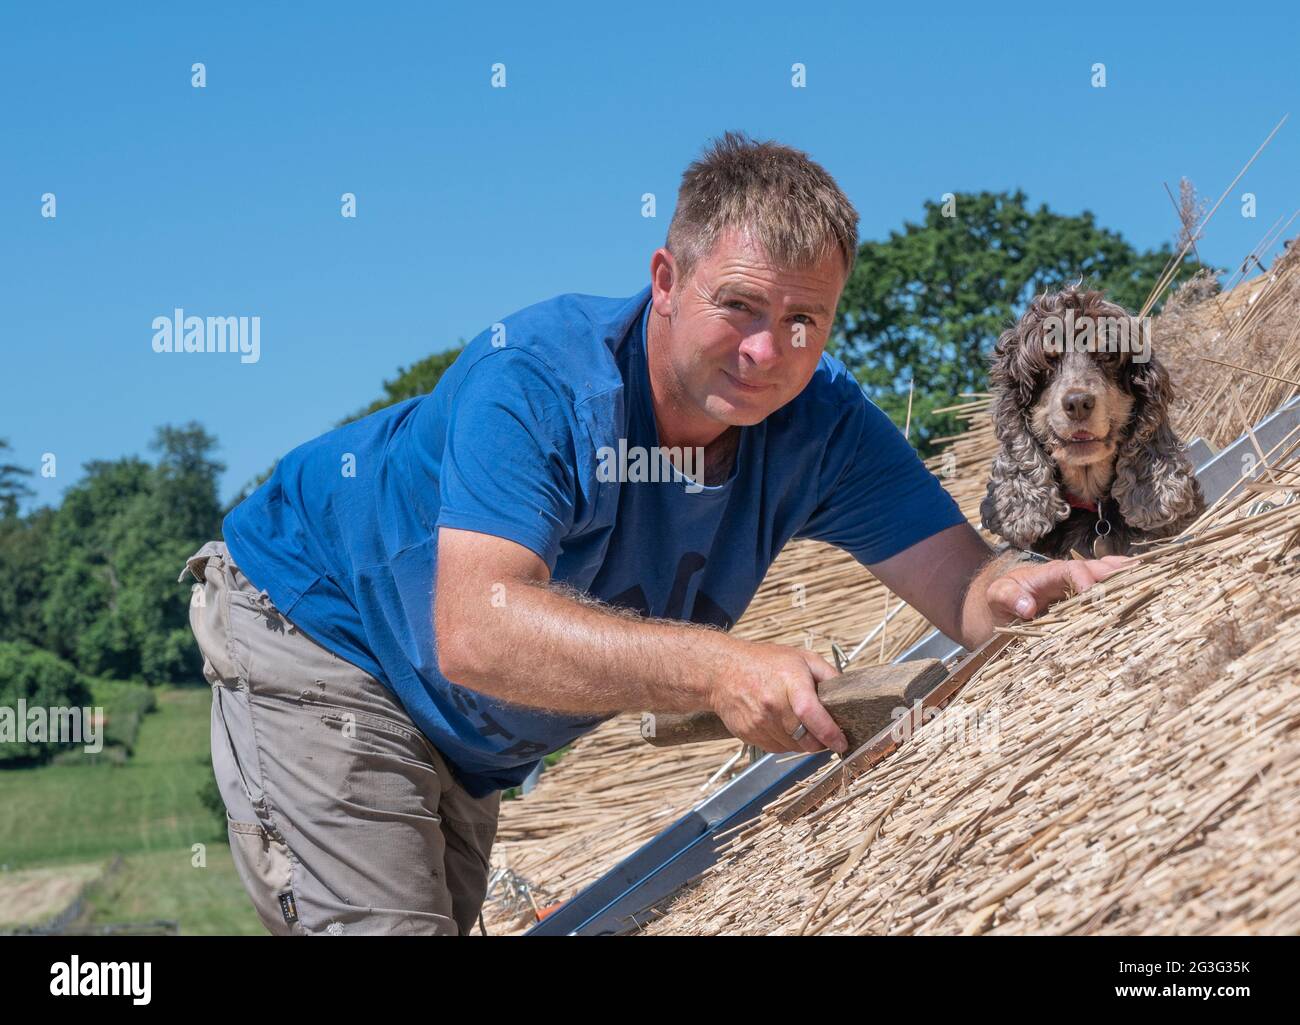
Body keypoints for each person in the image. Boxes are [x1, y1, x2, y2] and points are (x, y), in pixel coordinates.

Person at [184, 131, 1128, 935]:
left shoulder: (824, 426)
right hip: (321, 630)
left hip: (468, 739)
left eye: (806, 320)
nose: (769, 351)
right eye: (740, 307)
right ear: (667, 280)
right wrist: (720, 667)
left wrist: (1009, 589)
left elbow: (961, 585)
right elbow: (476, 626)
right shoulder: (544, 385)